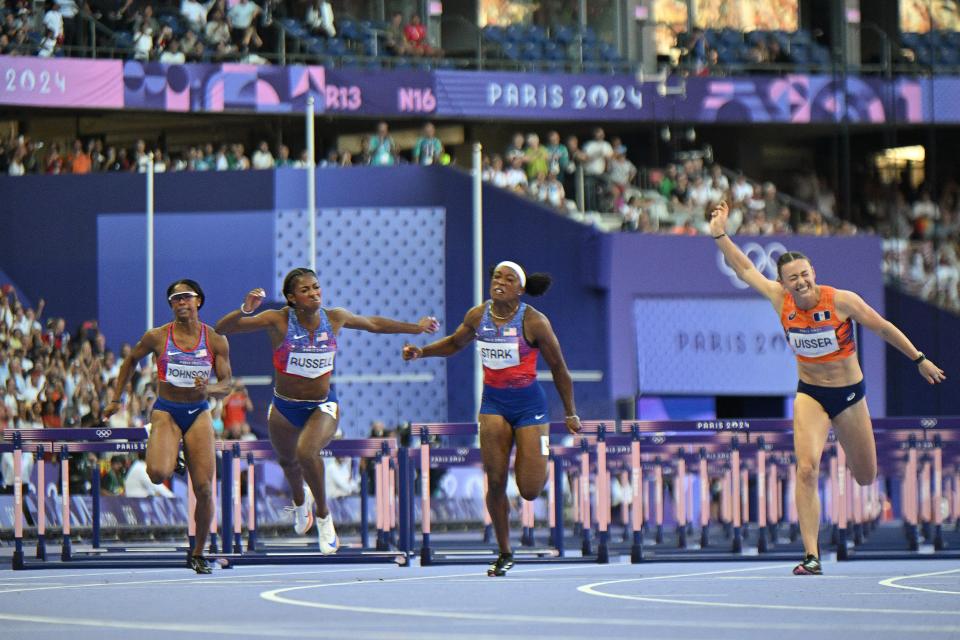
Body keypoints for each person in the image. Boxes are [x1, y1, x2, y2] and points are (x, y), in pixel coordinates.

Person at [708, 201, 946, 575]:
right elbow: (745, 267)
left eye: (804, 274)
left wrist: (919, 359)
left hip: (850, 396)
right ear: (784, 283)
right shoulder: (779, 299)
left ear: (812, 272)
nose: (800, 282)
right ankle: (811, 555)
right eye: (792, 278)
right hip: (811, 394)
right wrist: (720, 234)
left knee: (866, 475)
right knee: (805, 469)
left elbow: (882, 327)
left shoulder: (841, 301)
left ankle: (846, 448)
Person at [214, 267, 439, 555]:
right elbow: (223, 328)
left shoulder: (334, 318)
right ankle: (300, 503)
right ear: (292, 298)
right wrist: (245, 310)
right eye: (305, 290)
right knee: (288, 464)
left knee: (307, 453)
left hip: (323, 405)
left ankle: (323, 516)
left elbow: (373, 323)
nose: (314, 293)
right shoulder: (278, 320)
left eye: (316, 287)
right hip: (284, 406)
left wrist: (416, 328)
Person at [402, 261, 581, 576]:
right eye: (496, 276)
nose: (500, 281)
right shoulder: (477, 315)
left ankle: (538, 455)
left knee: (528, 490)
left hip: (530, 406)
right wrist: (423, 352)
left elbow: (559, 369)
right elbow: (456, 343)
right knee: (496, 480)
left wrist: (570, 413)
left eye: (509, 278)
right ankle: (504, 551)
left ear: (520, 289)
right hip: (494, 403)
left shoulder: (535, 322)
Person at [104, 279, 233, 574]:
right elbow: (130, 361)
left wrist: (210, 389)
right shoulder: (157, 337)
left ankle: (199, 552)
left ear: (198, 301)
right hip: (167, 411)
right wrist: (116, 399)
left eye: (186, 297)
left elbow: (226, 383)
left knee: (203, 488)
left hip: (198, 412)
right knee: (157, 473)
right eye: (175, 299)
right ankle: (169, 449)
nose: (181, 302)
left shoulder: (215, 340)